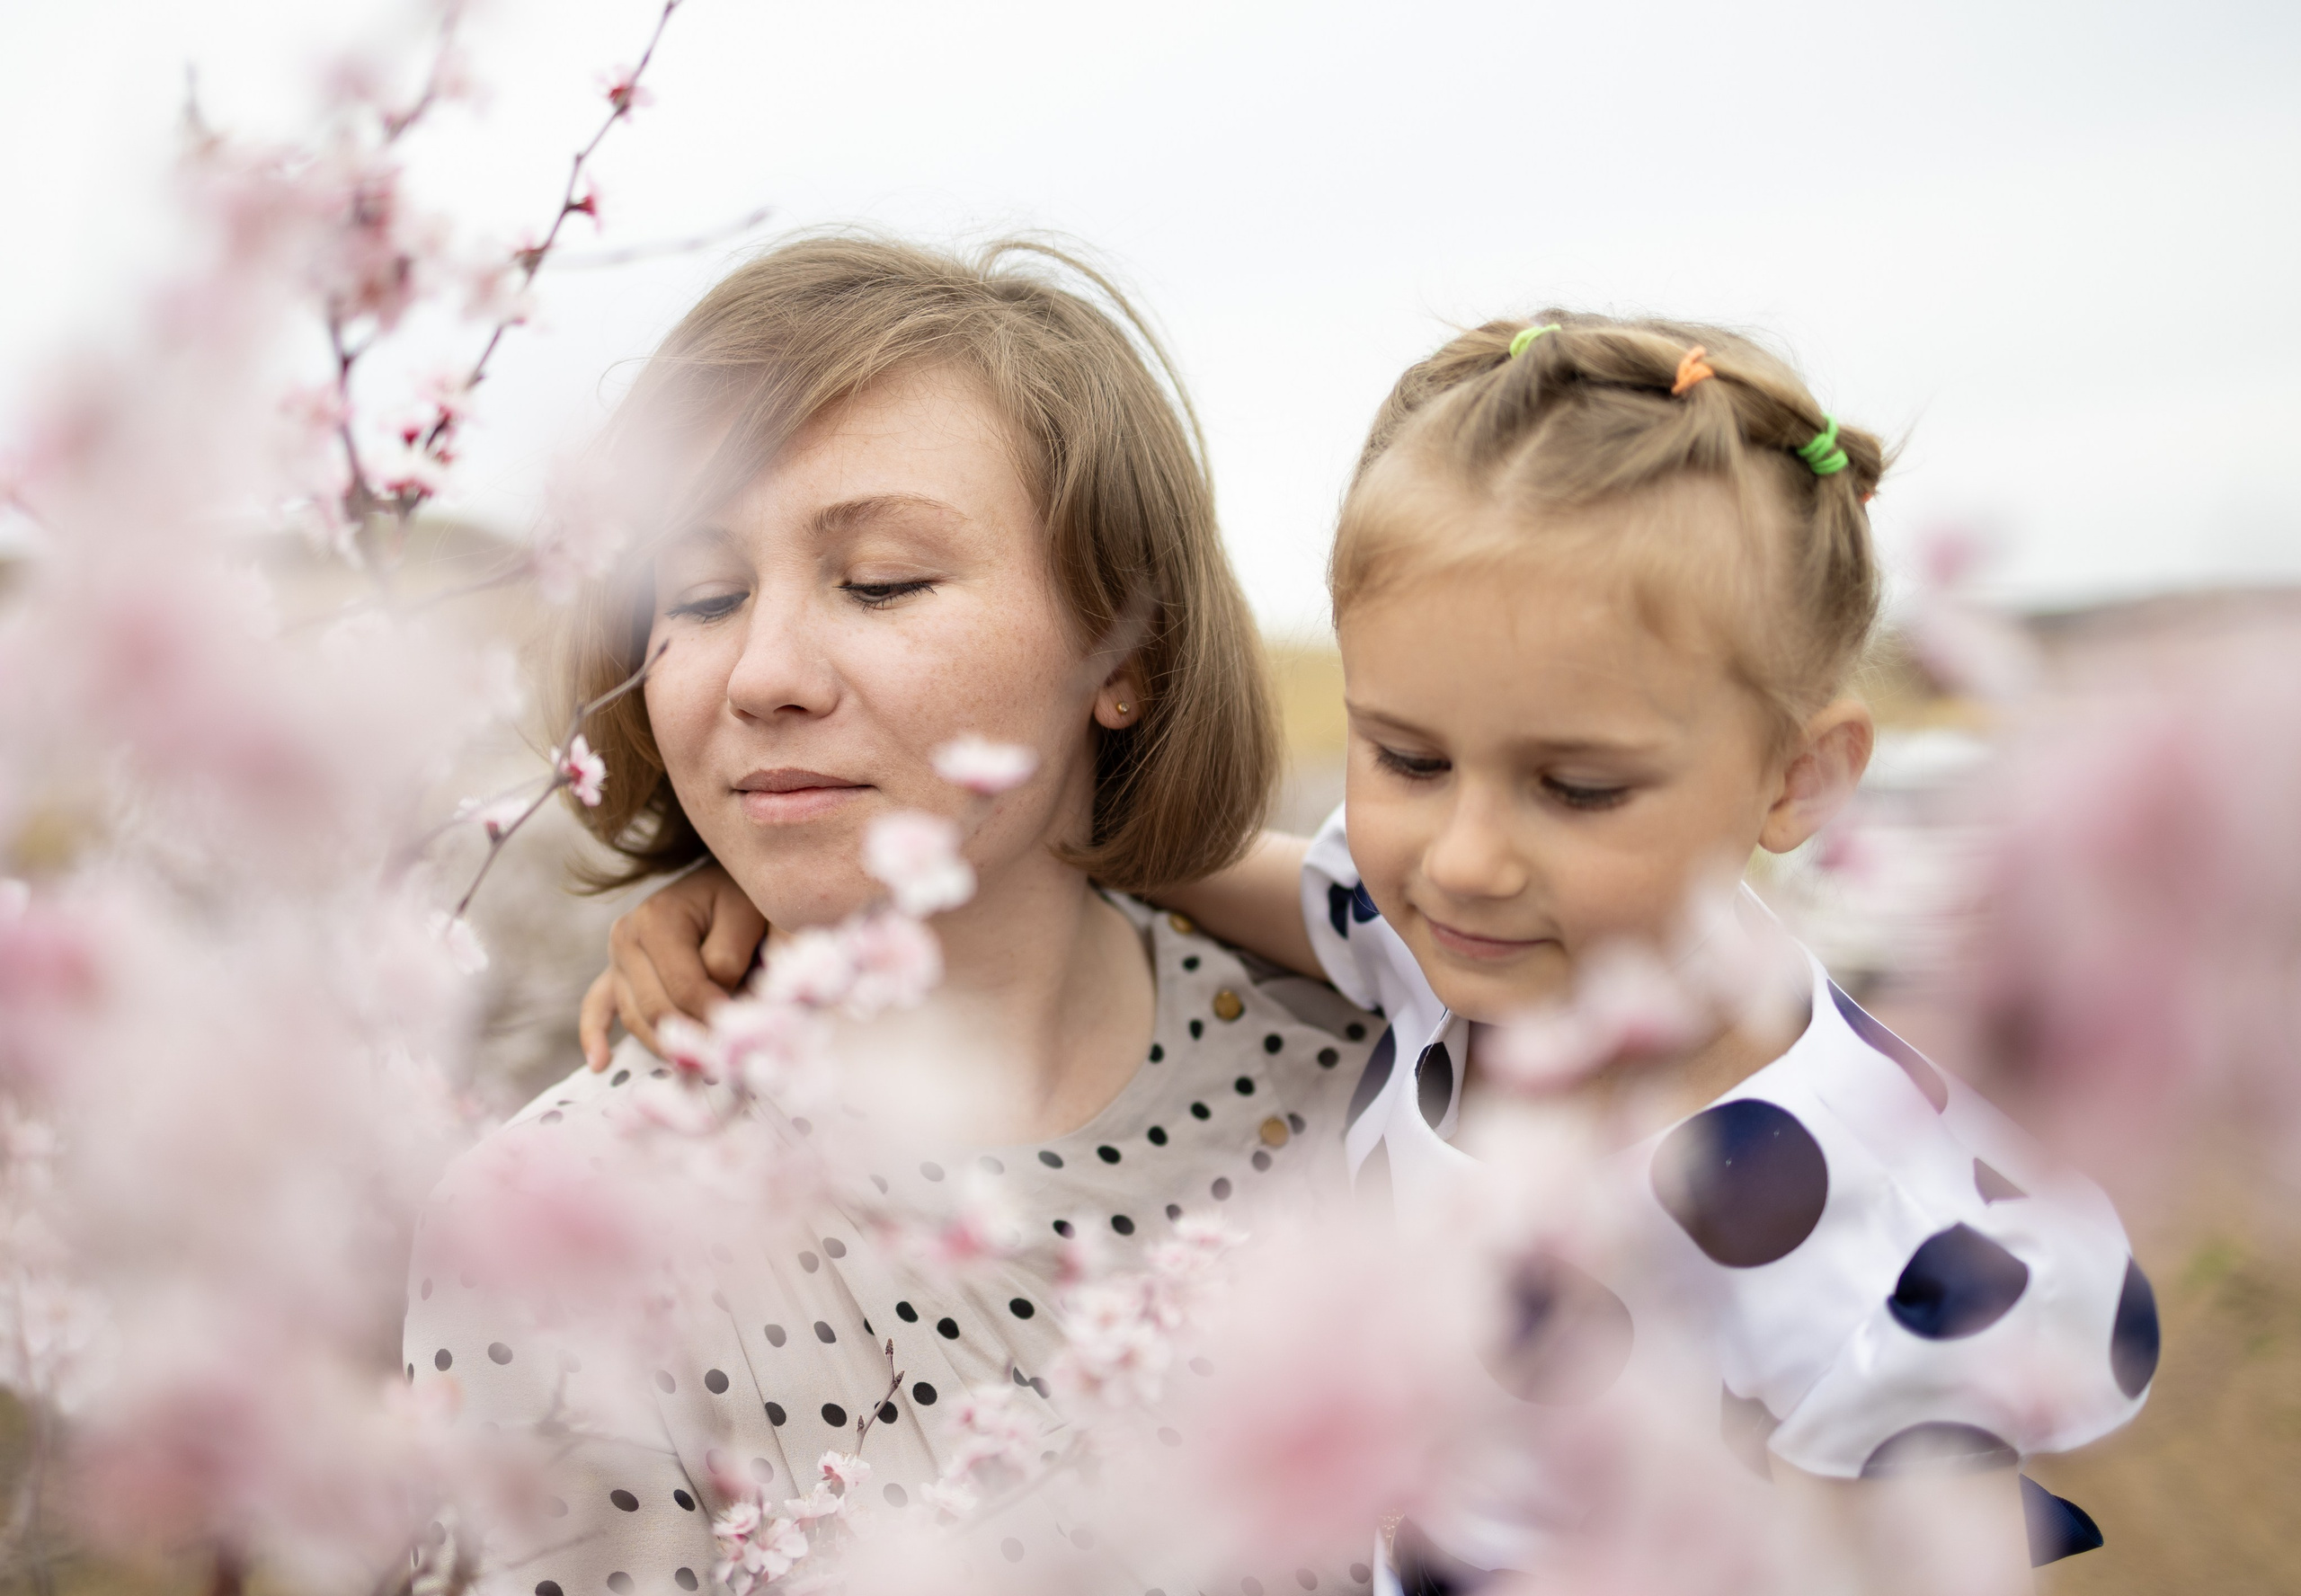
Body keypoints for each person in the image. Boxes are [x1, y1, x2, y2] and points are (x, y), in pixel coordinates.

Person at [591, 314, 2157, 1592]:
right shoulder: (1430, 949)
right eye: (1407, 759)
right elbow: (1152, 852)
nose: (1463, 856)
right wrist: (777, 888)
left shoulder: (1859, 1222)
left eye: (1578, 787)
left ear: (1799, 779)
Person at [403, 235, 1386, 1596]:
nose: (764, 675)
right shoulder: (564, 1228)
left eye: (880, 580)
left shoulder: (1386, 1083)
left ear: (1129, 652)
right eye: (700, 597)